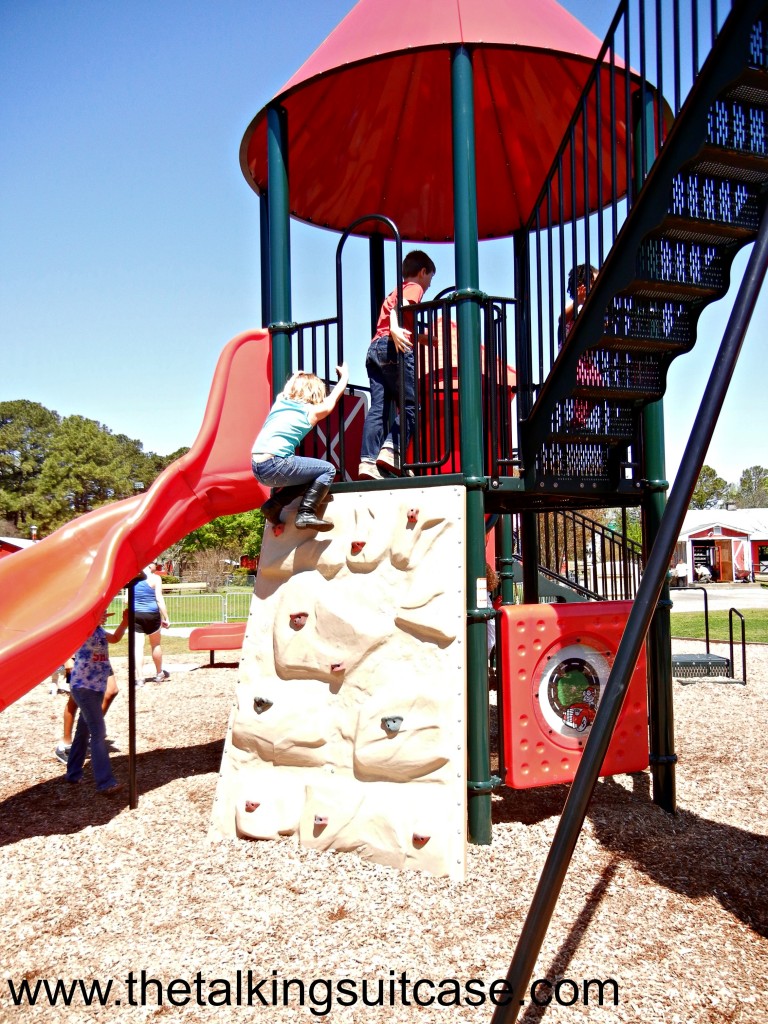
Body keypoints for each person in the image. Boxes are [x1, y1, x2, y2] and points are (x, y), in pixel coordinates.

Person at [359, 250, 436, 479]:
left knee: (379, 409)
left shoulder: (395, 290)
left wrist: (422, 338)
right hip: (394, 348)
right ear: (423, 272)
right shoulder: (413, 287)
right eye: (430, 278)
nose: (429, 284)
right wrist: (394, 327)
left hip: (375, 349)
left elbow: (395, 316)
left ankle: (367, 461)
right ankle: (392, 451)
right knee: (411, 406)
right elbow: (399, 309)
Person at [253, 363, 349, 531]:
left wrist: (297, 375)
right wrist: (345, 377)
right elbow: (332, 399)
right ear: (316, 393)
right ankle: (306, 512)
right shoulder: (311, 411)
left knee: (309, 477)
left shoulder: (281, 401)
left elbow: (288, 387)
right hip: (277, 463)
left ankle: (273, 506)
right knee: (327, 470)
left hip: (257, 466)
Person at [65, 610, 128, 796]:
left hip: (96, 687)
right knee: (98, 733)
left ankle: (73, 773)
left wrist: (125, 621)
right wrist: (91, 620)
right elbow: (70, 639)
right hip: (83, 688)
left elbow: (115, 638)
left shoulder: (99, 631)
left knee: (83, 731)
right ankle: (105, 782)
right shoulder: (81, 629)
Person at [558, 263, 601, 428]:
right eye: (594, 283)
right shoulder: (577, 309)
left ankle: (579, 419)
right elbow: (562, 319)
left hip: (585, 361)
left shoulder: (590, 311)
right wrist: (578, 301)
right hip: (570, 360)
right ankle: (578, 419)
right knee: (590, 380)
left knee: (596, 383)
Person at [54, 667, 118, 764]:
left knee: (111, 691)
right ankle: (65, 746)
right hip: (78, 657)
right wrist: (67, 659)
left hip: (99, 656)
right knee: (75, 697)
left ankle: (84, 735)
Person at [134, 560, 170, 684]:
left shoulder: (133, 578)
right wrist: (166, 617)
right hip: (152, 614)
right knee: (155, 644)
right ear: (150, 565)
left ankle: (139, 677)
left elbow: (126, 600)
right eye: (155, 563)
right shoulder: (155, 579)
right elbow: (159, 599)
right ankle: (159, 673)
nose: (157, 565)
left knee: (138, 647)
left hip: (136, 614)